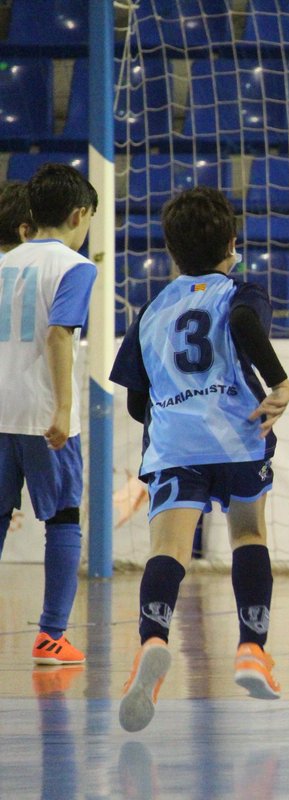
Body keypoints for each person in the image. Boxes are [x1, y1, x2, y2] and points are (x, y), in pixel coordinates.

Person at [109, 187, 289, 731]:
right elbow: (243, 324)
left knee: (168, 550)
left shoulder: (152, 310)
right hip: (236, 436)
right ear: (232, 244)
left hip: (172, 444)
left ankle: (151, 642)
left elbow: (136, 399)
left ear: (169, 250)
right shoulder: (238, 290)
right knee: (248, 535)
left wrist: (171, 416)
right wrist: (279, 383)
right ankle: (251, 650)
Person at [0, 165, 97, 666]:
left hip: (0, 412)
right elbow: (61, 334)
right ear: (79, 215)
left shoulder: (4, 260)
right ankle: (51, 636)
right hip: (42, 414)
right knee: (62, 521)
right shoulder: (75, 267)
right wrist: (62, 407)